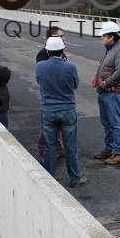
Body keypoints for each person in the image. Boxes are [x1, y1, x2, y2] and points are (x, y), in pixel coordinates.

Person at [36, 35, 87, 187]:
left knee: (50, 146)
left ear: (47, 51)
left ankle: (50, 178)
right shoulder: (70, 67)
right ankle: (75, 178)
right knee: (70, 146)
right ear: (62, 50)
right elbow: (75, 85)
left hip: (48, 110)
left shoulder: (40, 66)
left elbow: (39, 81)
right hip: (67, 110)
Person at [92, 21, 120, 165]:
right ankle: (109, 149)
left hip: (113, 93)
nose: (102, 38)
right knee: (107, 122)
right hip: (105, 93)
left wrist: (106, 83)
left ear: (111, 37)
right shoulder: (110, 50)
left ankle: (118, 152)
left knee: (115, 123)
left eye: (104, 36)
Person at [36, 26, 67, 159]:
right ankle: (44, 149)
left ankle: (58, 148)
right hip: (50, 96)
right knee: (49, 125)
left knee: (58, 125)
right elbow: (41, 77)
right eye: (61, 36)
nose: (64, 38)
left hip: (61, 96)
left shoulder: (62, 53)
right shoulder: (43, 54)